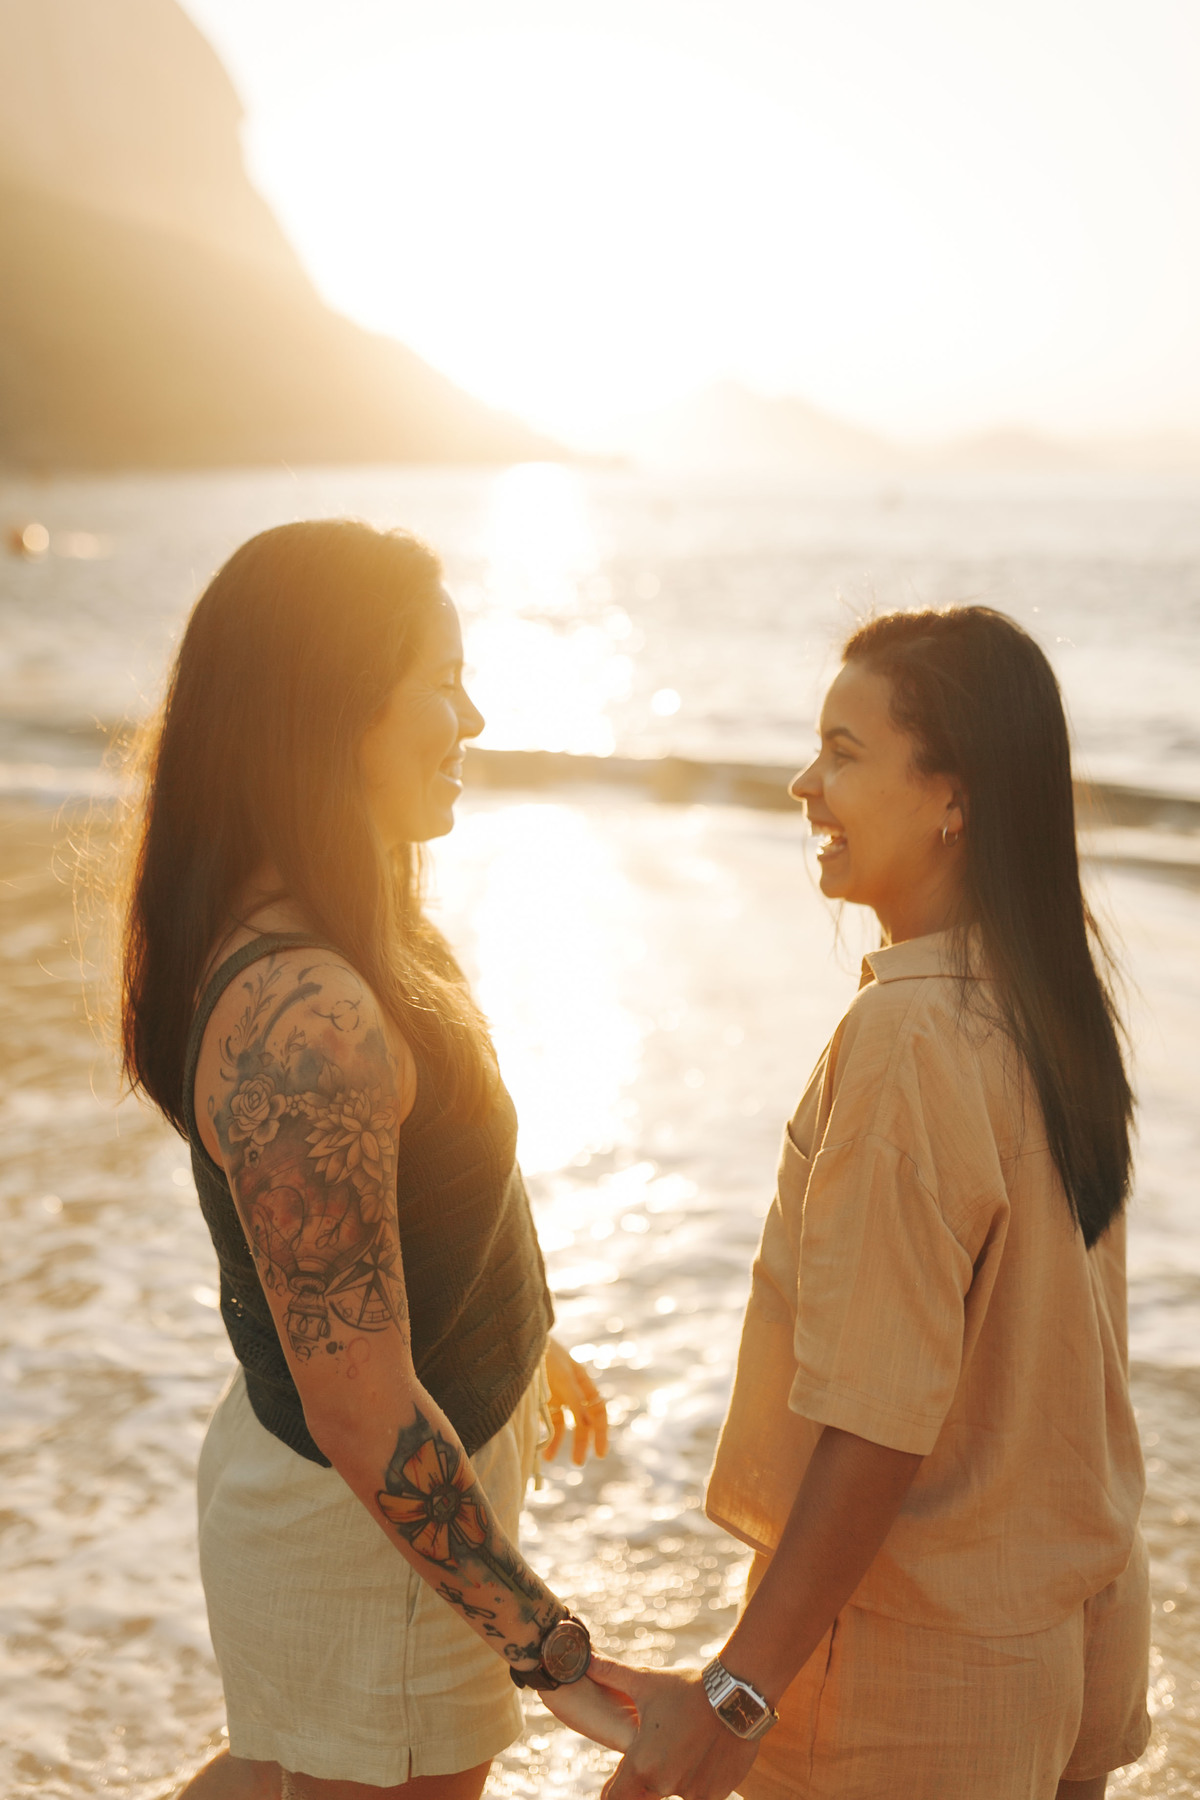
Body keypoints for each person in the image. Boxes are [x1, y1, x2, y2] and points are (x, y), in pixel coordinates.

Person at [119, 520, 634, 1800]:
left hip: (355, 1508)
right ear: (337, 708)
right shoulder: (303, 1016)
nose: (473, 718)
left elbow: (425, 1200)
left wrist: (522, 1332)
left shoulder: (351, 919)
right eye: (442, 682)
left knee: (267, 1776)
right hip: (369, 1542)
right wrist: (553, 1653)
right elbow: (361, 1405)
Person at [597, 607, 1150, 1800]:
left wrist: (737, 1696)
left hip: (910, 1679)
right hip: (1059, 1639)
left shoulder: (909, 1034)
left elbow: (878, 1422)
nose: (805, 785)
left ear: (954, 798)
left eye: (843, 754)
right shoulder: (1048, 1005)